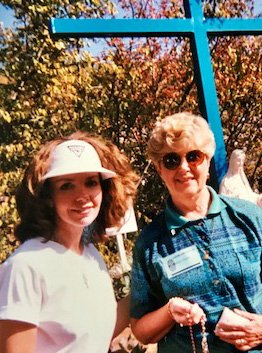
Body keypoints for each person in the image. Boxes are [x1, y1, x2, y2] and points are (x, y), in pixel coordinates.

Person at [129, 112, 262, 353]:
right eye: (171, 160)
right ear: (159, 170)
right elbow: (140, 328)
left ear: (208, 161)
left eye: (193, 156)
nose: (183, 168)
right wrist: (169, 311)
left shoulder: (249, 216)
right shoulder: (150, 243)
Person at [0, 131, 138, 353]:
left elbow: (97, 332)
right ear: (47, 196)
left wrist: (148, 288)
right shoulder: (24, 267)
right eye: (66, 185)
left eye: (91, 182)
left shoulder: (92, 256)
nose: (82, 195)